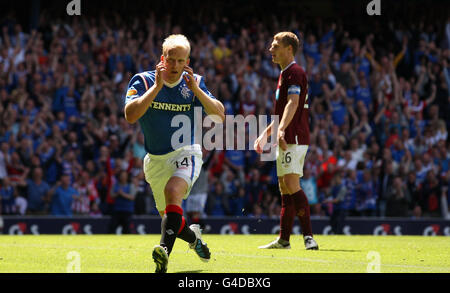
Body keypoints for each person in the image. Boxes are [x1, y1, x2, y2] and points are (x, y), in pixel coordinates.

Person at [124, 34, 225, 273]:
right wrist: (157, 87)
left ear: (187, 61)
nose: (176, 66)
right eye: (171, 60)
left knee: (173, 192)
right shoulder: (143, 81)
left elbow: (220, 115)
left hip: (186, 151)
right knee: (172, 219)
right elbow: (130, 115)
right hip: (155, 160)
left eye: (181, 61)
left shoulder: (194, 83)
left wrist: (197, 92)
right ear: (162, 59)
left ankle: (163, 255)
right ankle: (194, 240)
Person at [255, 32, 318, 250]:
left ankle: (309, 237)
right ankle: (284, 239)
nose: (271, 49)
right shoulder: (284, 74)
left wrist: (280, 130)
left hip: (294, 136)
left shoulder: (295, 72)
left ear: (289, 48)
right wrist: (267, 133)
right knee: (284, 187)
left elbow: (293, 103)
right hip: (287, 135)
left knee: (291, 183)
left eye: (275, 46)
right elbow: (283, 110)